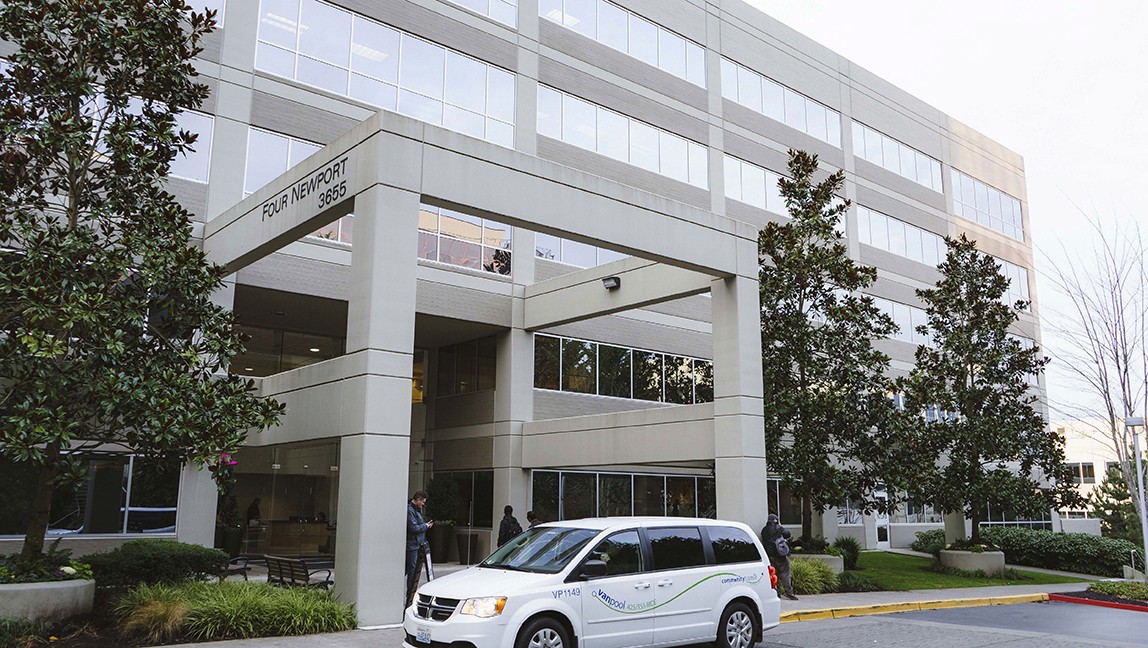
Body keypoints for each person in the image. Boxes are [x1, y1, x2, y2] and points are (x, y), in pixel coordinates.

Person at [761, 513, 797, 600]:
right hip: (780, 555)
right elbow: (788, 534)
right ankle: (789, 592)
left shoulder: (764, 530)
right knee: (785, 573)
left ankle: (777, 593)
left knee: (774, 575)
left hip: (770, 556)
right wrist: (780, 526)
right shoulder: (778, 528)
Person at [406, 491, 433, 596]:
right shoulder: (411, 510)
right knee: (412, 570)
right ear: (418, 499)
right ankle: (410, 594)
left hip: (417, 543)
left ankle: (411, 593)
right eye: (422, 502)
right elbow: (413, 528)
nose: (423, 504)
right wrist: (425, 526)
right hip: (412, 544)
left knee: (412, 569)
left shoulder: (417, 510)